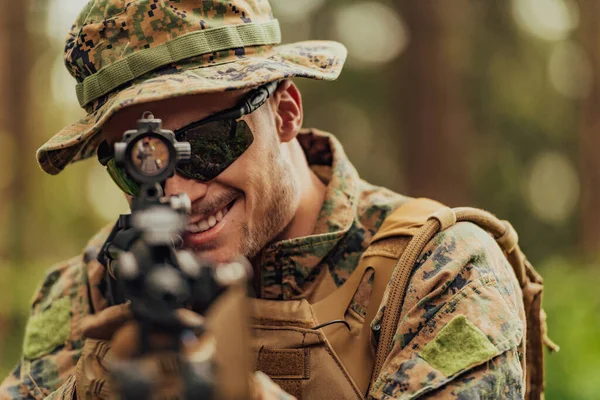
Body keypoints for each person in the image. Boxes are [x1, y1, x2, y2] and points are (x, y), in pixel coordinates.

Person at [0, 0, 532, 399]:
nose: (178, 192)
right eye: (138, 162)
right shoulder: (92, 286)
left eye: (209, 144)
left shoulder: (440, 272)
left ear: (285, 112)